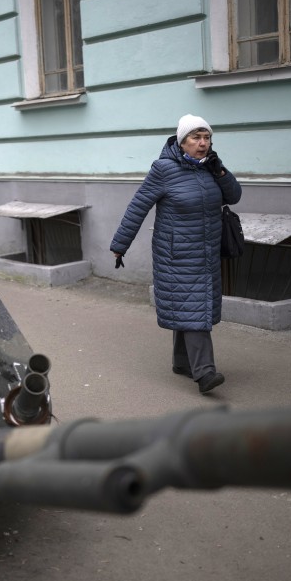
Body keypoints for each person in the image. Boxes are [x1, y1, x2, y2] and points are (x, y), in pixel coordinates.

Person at [110, 114, 242, 394]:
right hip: (177, 255)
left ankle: (182, 362)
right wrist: (120, 245)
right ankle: (205, 373)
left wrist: (220, 171)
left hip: (206, 252)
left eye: (207, 138)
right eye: (196, 137)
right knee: (195, 307)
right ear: (182, 142)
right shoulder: (164, 169)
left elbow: (234, 196)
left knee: (190, 306)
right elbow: (138, 206)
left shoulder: (210, 167)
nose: (203, 143)